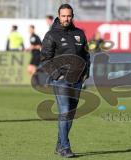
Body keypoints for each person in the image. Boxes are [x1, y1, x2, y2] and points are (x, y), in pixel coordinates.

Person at [40, 4, 90, 158]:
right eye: (63, 16)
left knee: (71, 115)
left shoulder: (80, 33)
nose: (66, 18)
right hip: (61, 81)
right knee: (65, 112)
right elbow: (45, 59)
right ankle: (65, 147)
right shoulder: (51, 35)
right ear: (59, 16)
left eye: (69, 16)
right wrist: (57, 76)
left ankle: (59, 144)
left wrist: (85, 73)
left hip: (77, 80)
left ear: (72, 16)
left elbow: (86, 55)